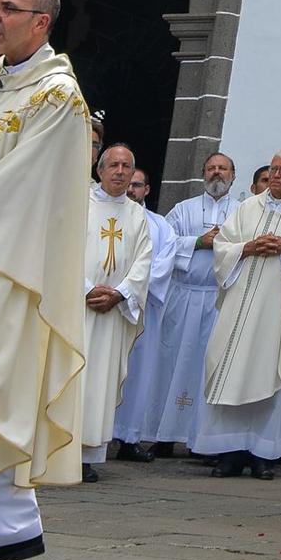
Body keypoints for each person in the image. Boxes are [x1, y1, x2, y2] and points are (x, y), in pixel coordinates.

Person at [0, 0, 90, 560]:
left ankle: (5, 527)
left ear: (41, 22)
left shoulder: (57, 98)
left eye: (8, 9)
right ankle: (3, 528)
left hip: (8, 269)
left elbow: (18, 191)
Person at [193, 152, 281, 480]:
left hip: (277, 312)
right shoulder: (247, 208)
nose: (277, 176)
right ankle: (228, 453)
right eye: (273, 169)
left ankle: (262, 454)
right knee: (228, 369)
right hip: (239, 307)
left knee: (269, 374)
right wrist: (247, 248)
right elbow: (223, 245)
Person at [150, 150, 238, 451]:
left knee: (210, 367)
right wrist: (199, 242)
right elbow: (165, 245)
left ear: (233, 176)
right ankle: (163, 435)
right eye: (211, 168)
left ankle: (201, 439)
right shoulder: (182, 209)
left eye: (223, 168)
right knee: (173, 362)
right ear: (203, 174)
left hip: (218, 299)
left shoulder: (242, 211)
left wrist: (224, 244)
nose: (217, 173)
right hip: (184, 296)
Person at [82, 142, 154, 481]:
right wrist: (85, 288)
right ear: (100, 169)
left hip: (112, 313)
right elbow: (60, 247)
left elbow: (143, 263)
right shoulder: (78, 201)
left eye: (127, 167)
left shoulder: (137, 214)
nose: (121, 172)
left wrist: (120, 293)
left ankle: (85, 456)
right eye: (114, 165)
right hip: (76, 308)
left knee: (100, 381)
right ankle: (57, 450)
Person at [112, 169, 176, 461]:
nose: (131, 189)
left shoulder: (160, 226)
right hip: (104, 305)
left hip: (142, 307)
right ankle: (93, 434)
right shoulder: (104, 216)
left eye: (137, 185)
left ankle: (128, 437)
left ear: (147, 190)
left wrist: (125, 291)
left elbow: (163, 266)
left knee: (137, 372)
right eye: (128, 184)